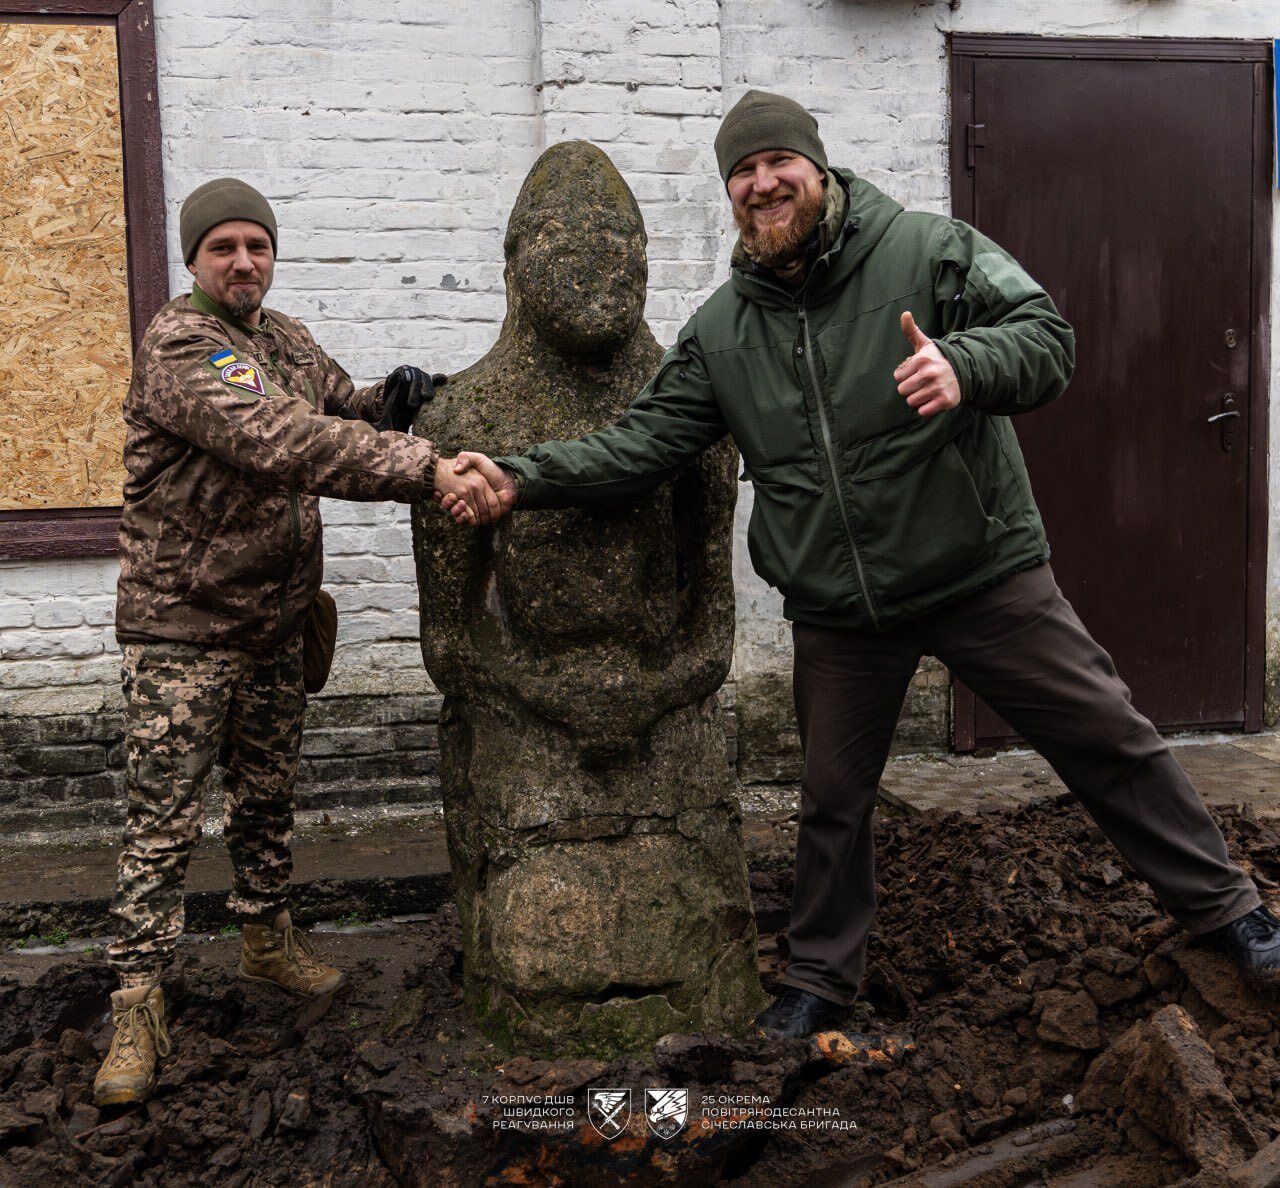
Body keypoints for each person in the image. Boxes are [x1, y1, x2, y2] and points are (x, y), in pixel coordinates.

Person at [441, 90, 1280, 1040]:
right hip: (841, 609)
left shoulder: (927, 250)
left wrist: (966, 364)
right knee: (832, 805)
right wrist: (520, 477)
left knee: (1109, 739)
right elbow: (641, 444)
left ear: (818, 167)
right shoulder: (722, 330)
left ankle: (1233, 915)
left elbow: (1048, 337)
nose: (763, 184)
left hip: (978, 573)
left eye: (778, 164)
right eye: (742, 173)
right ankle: (818, 983)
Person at [95, 177, 501, 1107]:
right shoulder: (181, 345)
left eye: (258, 246)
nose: (244, 262)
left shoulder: (284, 340)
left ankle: (266, 940)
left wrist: (396, 399)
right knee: (162, 825)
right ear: (194, 259)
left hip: (276, 623)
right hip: (184, 630)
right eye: (224, 247)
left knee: (265, 800)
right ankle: (135, 1003)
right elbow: (286, 440)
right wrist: (426, 468)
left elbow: (336, 409)